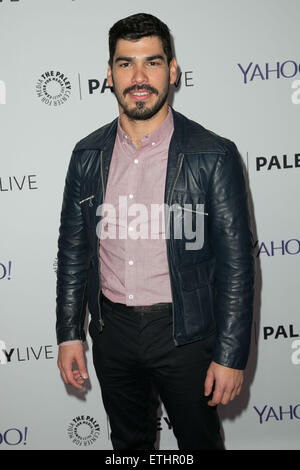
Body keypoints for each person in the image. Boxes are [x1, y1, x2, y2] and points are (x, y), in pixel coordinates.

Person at [56, 12, 255, 450]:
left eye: (153, 61)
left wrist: (230, 355)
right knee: (129, 446)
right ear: (109, 74)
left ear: (174, 70)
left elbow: (237, 265)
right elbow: (73, 252)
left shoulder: (213, 155)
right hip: (113, 331)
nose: (139, 76)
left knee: (199, 444)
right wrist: (70, 333)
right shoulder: (86, 154)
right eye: (126, 63)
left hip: (184, 333)